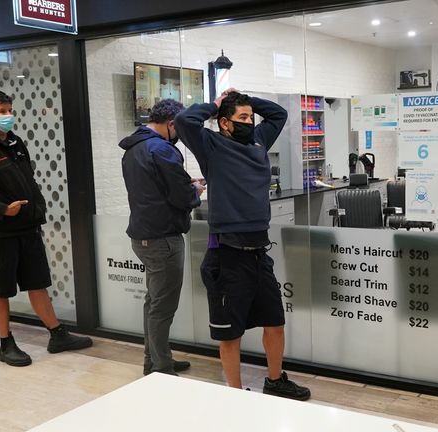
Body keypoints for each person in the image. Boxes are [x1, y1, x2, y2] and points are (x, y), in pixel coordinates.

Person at [176, 89, 310, 400]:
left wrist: (247, 98)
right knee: (230, 334)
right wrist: (215, 105)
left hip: (258, 253)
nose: (250, 122)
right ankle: (235, 396)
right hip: (227, 254)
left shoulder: (259, 140)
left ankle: (275, 381)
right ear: (224, 123)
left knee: (275, 323)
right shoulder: (211, 145)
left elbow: (279, 114)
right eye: (243, 118)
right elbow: (184, 121)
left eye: (251, 117)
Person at [0, 89, 92, 367]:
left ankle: (56, 334)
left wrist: (36, 208)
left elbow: (26, 178)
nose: (8, 115)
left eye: (9, 109)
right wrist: (2, 209)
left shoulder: (15, 142)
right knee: (0, 289)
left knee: (37, 283)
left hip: (27, 228)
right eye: (3, 111)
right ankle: (6, 344)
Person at [120, 99, 205, 376]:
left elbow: (155, 189)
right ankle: (161, 368)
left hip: (144, 236)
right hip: (163, 239)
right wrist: (194, 192)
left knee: (153, 302)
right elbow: (180, 197)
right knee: (162, 308)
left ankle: (155, 359)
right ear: (171, 124)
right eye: (179, 129)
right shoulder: (162, 150)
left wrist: (184, 183)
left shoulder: (134, 148)